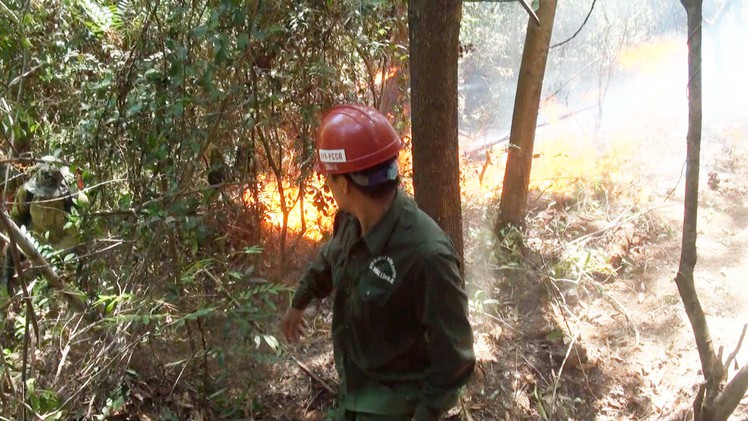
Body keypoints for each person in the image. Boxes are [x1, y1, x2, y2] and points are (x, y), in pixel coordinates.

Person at [281, 104, 475, 421]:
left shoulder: (427, 255)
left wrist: (425, 415)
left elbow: (455, 357)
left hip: (398, 408)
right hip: (354, 394)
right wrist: (300, 299)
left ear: (343, 184)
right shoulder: (350, 220)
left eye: (328, 179)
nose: (327, 186)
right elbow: (332, 258)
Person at [1, 157, 87, 294]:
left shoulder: (73, 200)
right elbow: (16, 220)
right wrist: (10, 250)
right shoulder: (27, 193)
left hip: (61, 252)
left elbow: (74, 237)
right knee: (10, 251)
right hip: (32, 241)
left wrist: (49, 262)